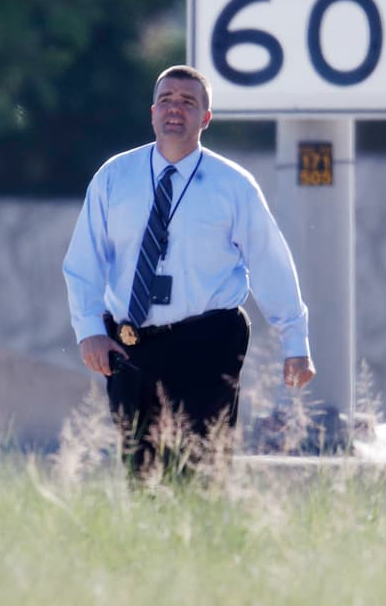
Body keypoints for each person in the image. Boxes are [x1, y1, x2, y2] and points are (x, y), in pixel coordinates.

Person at [62, 65, 315, 478]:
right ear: (152, 113)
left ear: (206, 118)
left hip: (207, 338)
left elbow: (270, 263)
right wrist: (89, 329)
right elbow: (83, 260)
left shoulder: (233, 185)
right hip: (130, 342)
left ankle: (199, 535)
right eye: (166, 100)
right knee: (139, 471)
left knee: (198, 469)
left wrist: (295, 340)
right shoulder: (114, 177)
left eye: (187, 102)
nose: (174, 109)